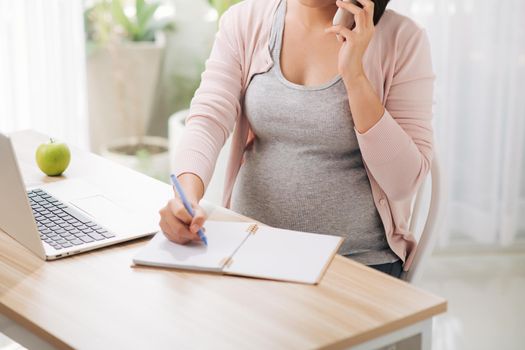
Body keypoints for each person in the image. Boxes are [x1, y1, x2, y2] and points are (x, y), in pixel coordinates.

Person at [158, 0, 435, 278]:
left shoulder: (403, 39)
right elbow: (208, 119)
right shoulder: (244, 21)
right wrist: (187, 197)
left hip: (356, 263)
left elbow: (404, 183)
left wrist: (356, 77)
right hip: (250, 249)